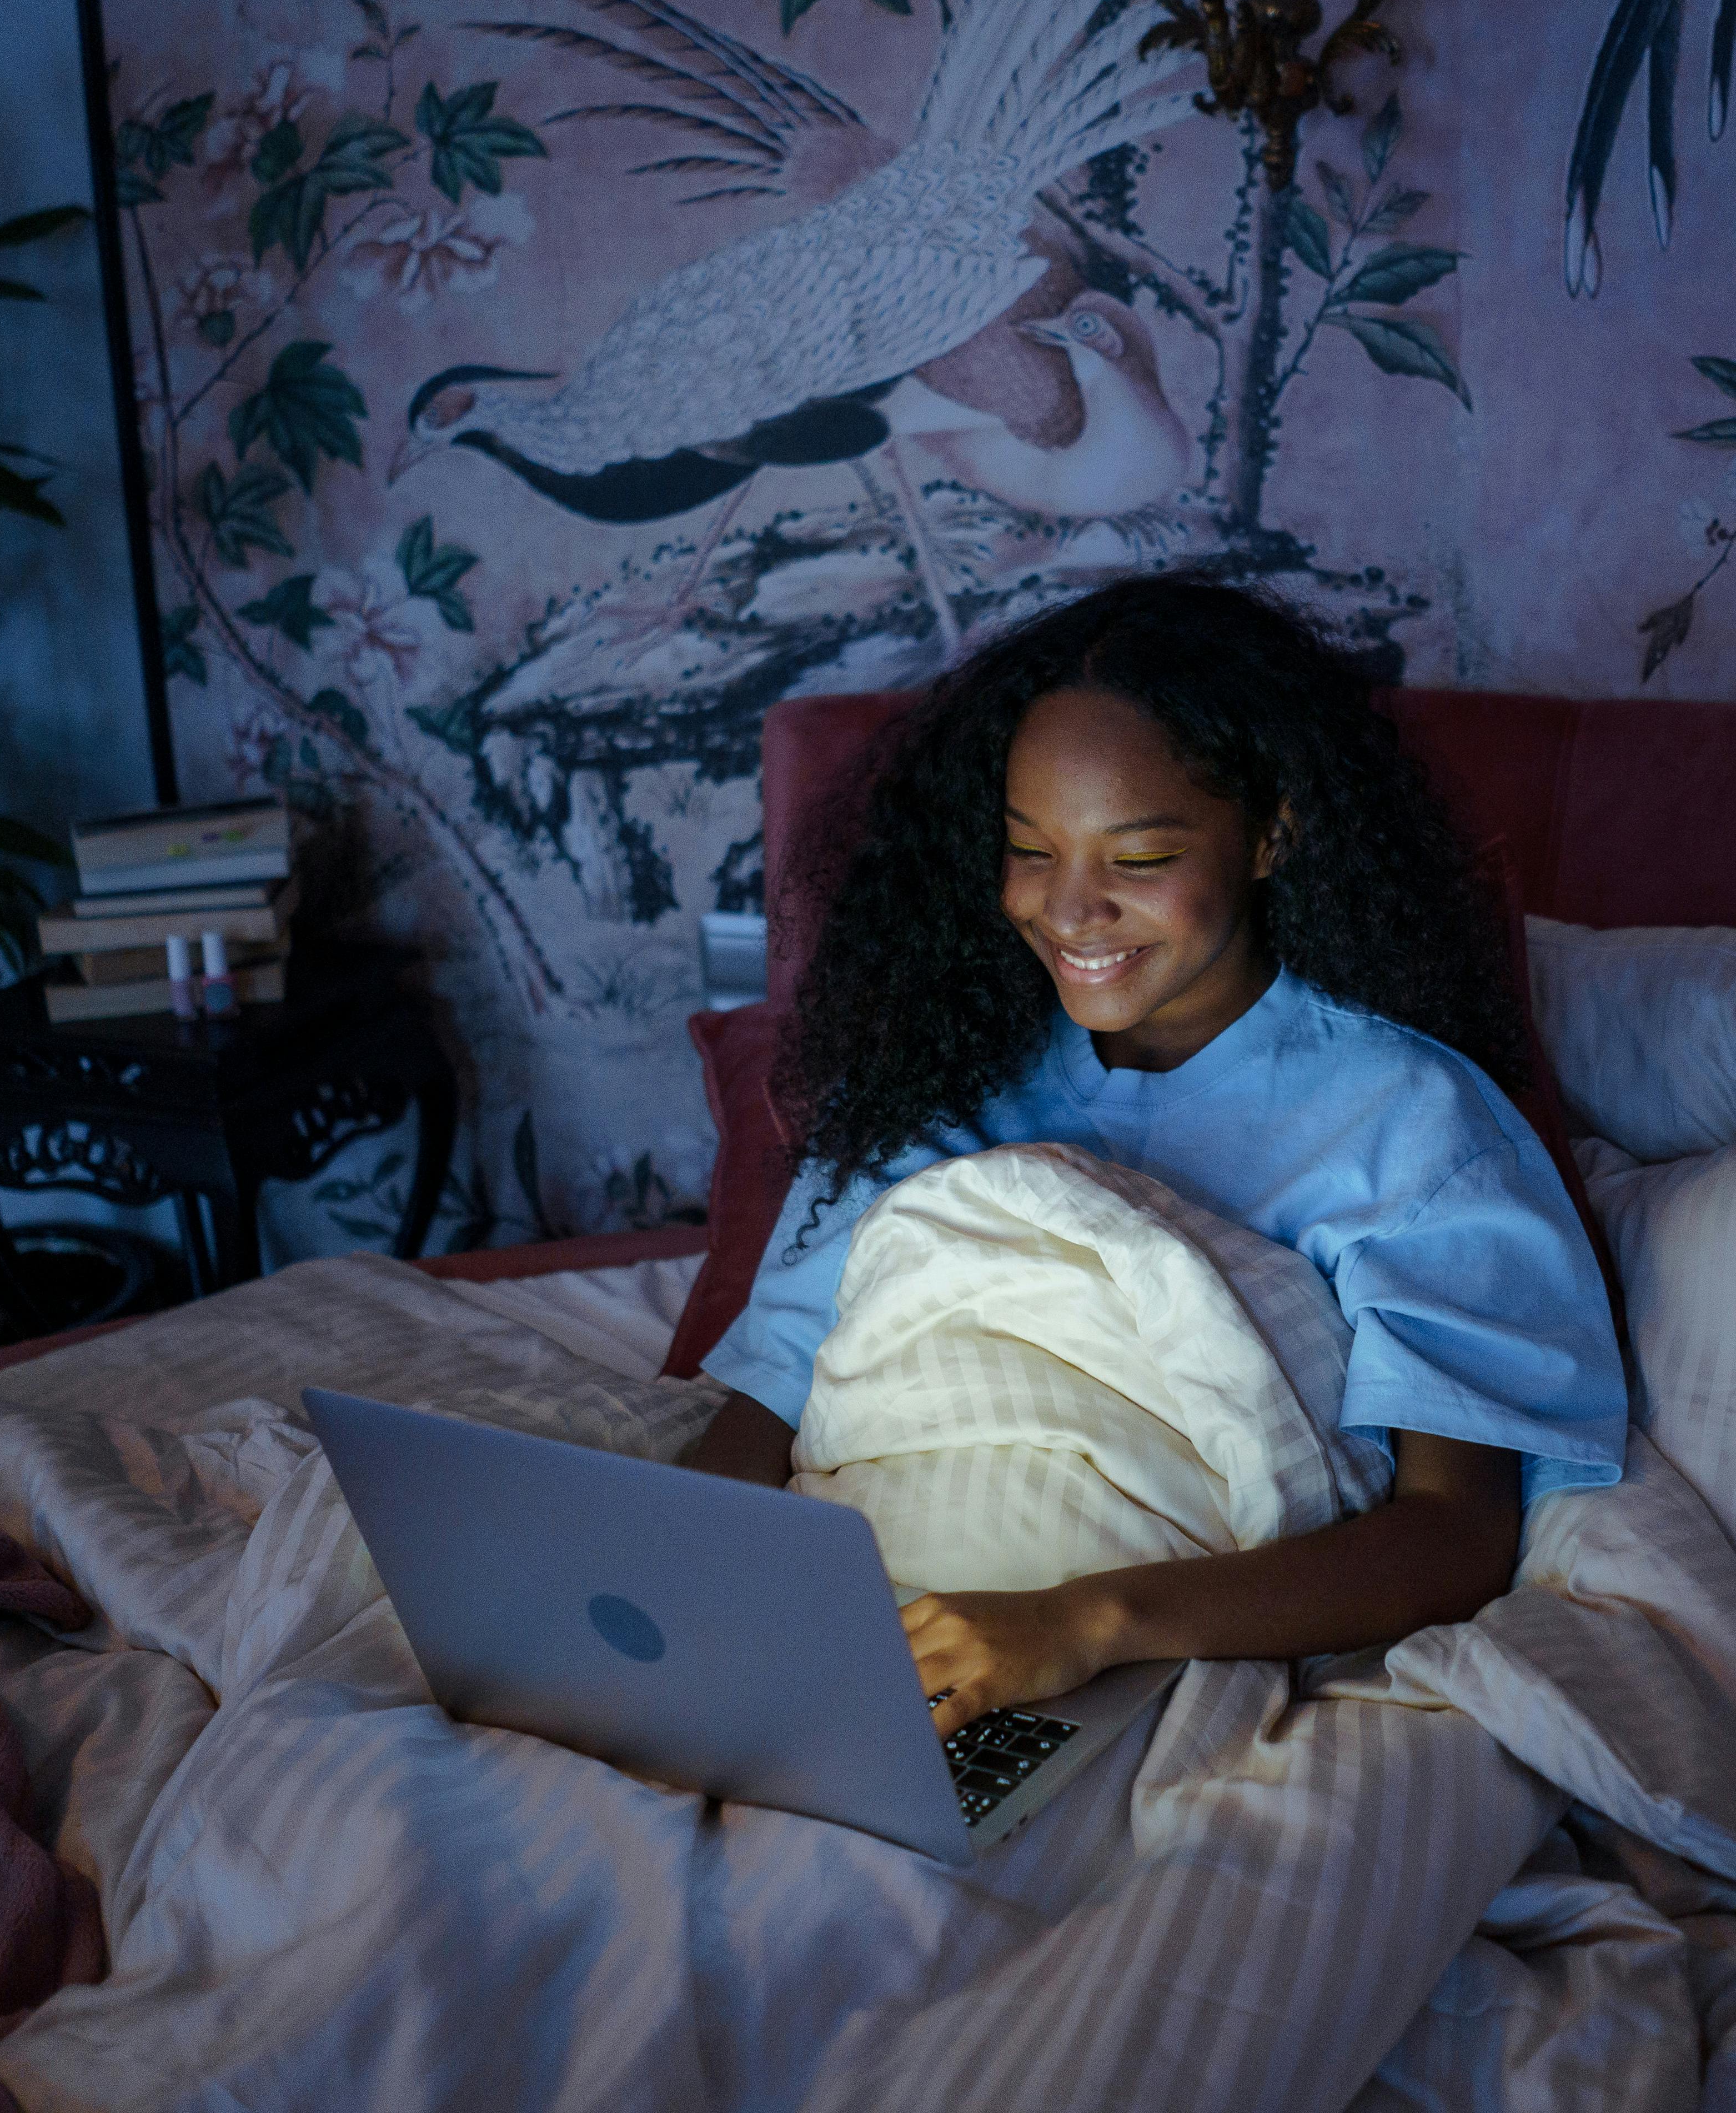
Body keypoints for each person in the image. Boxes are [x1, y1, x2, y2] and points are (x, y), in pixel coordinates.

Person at [688, 577, 1624, 1734]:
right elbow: (766, 1404)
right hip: (855, 1653)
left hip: (1162, 1656)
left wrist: (1084, 1624)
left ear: (1271, 831)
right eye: (1030, 850)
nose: (1071, 910)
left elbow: (1458, 1535)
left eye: (1136, 859)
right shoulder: (933, 1075)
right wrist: (677, 1619)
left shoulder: (1411, 1123)